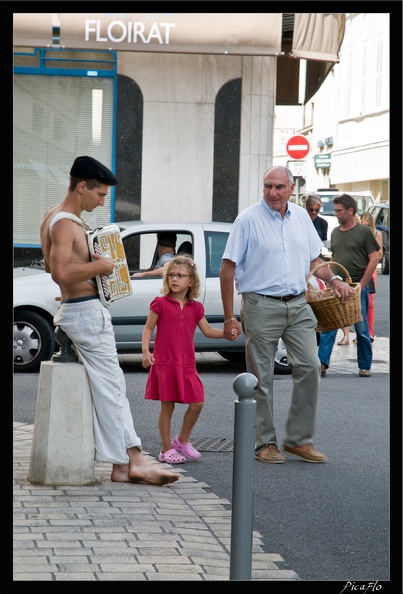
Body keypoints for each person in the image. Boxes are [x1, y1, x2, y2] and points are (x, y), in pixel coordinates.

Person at [39, 155, 180, 486]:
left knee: (112, 387)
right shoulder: (66, 223)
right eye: (99, 194)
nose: (102, 201)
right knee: (112, 389)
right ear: (83, 186)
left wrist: (85, 266)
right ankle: (129, 463)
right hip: (85, 312)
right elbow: (59, 271)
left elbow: (50, 266)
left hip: (78, 309)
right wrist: (100, 267)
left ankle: (126, 462)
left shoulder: (52, 216)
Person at [220, 165, 354, 464]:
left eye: (279, 187)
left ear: (291, 189)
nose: (273, 193)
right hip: (260, 304)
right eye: (268, 186)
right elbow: (227, 269)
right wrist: (230, 317)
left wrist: (333, 280)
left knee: (309, 366)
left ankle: (298, 440)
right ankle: (265, 443)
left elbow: (314, 259)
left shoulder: (302, 217)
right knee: (261, 378)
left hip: (298, 303)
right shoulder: (248, 220)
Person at [141, 255, 238, 464]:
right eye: (171, 275)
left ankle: (182, 439)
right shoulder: (160, 303)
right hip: (165, 363)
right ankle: (165, 449)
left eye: (180, 275)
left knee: (197, 402)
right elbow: (148, 328)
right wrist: (146, 352)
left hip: (186, 364)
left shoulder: (195, 308)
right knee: (167, 407)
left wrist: (225, 334)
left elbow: (208, 330)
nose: (175, 279)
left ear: (191, 281)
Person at [318, 194, 380, 378]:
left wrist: (361, 284)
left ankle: (364, 365)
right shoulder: (335, 232)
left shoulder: (364, 232)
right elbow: (335, 259)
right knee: (330, 325)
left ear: (350, 210)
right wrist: (331, 280)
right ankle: (322, 363)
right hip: (338, 285)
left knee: (361, 329)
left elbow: (374, 258)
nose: (335, 214)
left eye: (338, 211)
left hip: (356, 287)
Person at [359, 211, 382, 342]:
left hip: (371, 269)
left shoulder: (376, 234)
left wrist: (371, 251)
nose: (364, 227)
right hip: (360, 268)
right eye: (363, 224)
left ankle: (370, 333)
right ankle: (361, 333)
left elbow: (380, 255)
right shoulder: (359, 233)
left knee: (370, 302)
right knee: (359, 303)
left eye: (367, 225)